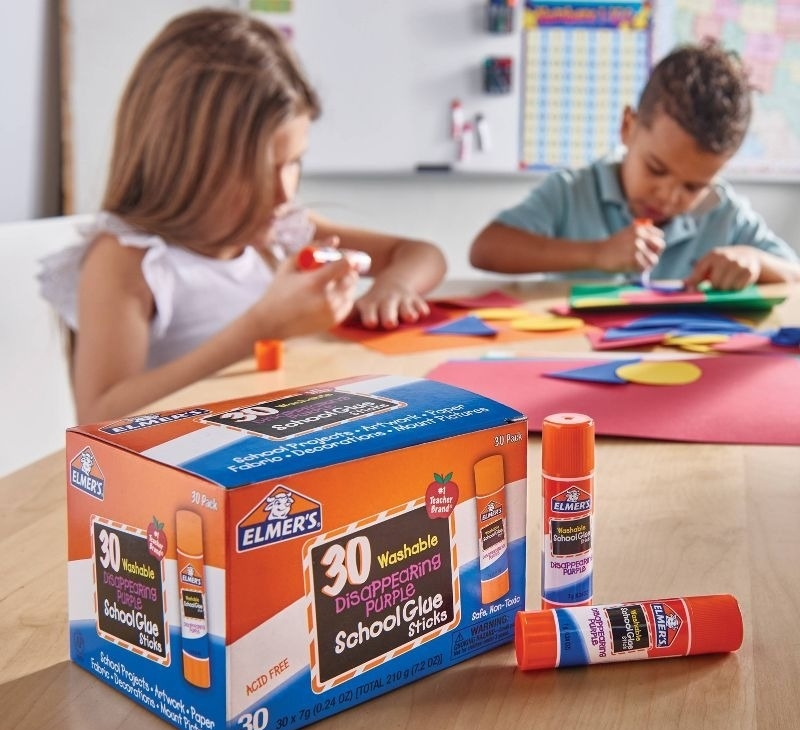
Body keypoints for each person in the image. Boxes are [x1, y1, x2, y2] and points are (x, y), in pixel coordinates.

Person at [38, 9, 446, 425]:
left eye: (293, 163)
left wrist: (392, 285)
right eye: (259, 171)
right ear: (184, 159)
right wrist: (259, 329)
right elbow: (99, 417)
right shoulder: (129, 259)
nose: (285, 192)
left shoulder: (279, 229)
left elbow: (422, 253)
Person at [469, 39, 800, 290]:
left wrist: (755, 260)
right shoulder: (572, 192)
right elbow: (486, 250)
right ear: (628, 126)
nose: (668, 196)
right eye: (656, 169)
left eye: (693, 186)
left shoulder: (724, 213)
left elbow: (794, 275)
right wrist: (597, 254)